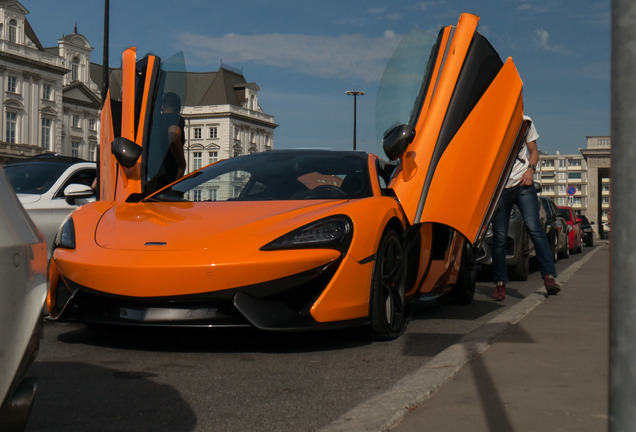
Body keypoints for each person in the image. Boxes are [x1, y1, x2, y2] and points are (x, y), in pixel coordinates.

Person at [491, 115, 561, 300]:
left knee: (534, 228)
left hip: (523, 184)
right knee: (499, 237)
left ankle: (549, 278)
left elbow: (534, 152)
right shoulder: (492, 120)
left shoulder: (525, 122)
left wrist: (530, 169)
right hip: (500, 188)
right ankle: (500, 284)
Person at [146, 92, 186, 193]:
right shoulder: (175, 119)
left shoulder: (152, 122)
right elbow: (173, 138)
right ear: (178, 108)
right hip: (169, 175)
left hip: (152, 175)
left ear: (162, 107)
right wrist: (182, 165)